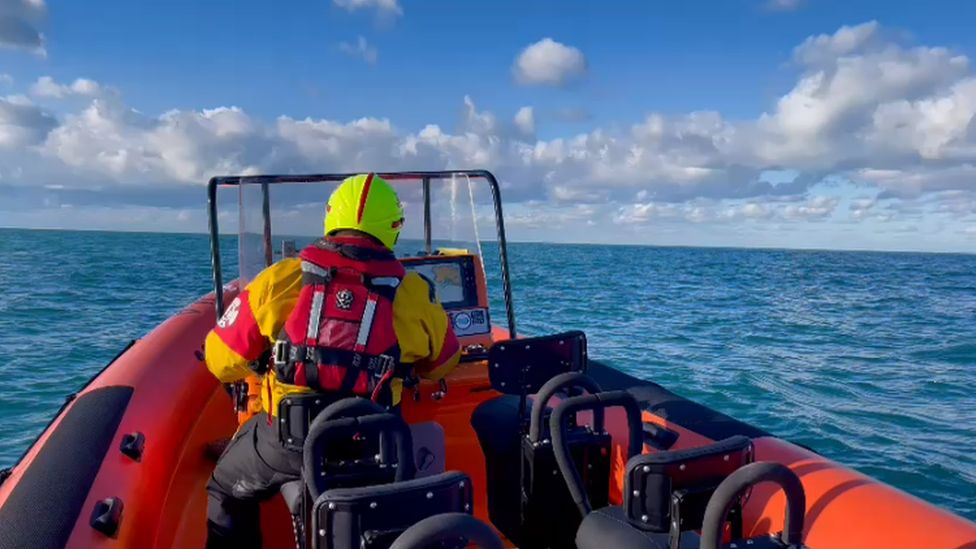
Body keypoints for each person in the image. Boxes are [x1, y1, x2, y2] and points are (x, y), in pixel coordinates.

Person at [202, 173, 461, 548]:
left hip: (289, 444)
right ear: (394, 228)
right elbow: (442, 364)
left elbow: (220, 361)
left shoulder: (280, 279)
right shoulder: (415, 291)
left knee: (226, 490)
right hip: (377, 446)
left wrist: (267, 360)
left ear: (330, 218)